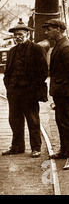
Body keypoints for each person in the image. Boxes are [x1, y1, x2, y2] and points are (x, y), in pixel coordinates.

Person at [43, 19, 69, 170]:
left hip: (66, 92)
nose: (46, 32)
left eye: (49, 29)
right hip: (60, 91)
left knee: (67, 123)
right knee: (61, 121)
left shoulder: (66, 47)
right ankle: (64, 151)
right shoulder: (60, 45)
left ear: (58, 30)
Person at [2, 21, 48, 158]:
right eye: (15, 35)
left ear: (27, 34)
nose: (18, 37)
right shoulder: (11, 52)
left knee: (32, 120)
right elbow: (7, 73)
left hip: (29, 92)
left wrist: (33, 89)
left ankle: (36, 148)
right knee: (14, 120)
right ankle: (17, 146)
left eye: (20, 35)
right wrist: (8, 86)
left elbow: (43, 73)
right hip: (14, 92)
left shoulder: (36, 49)